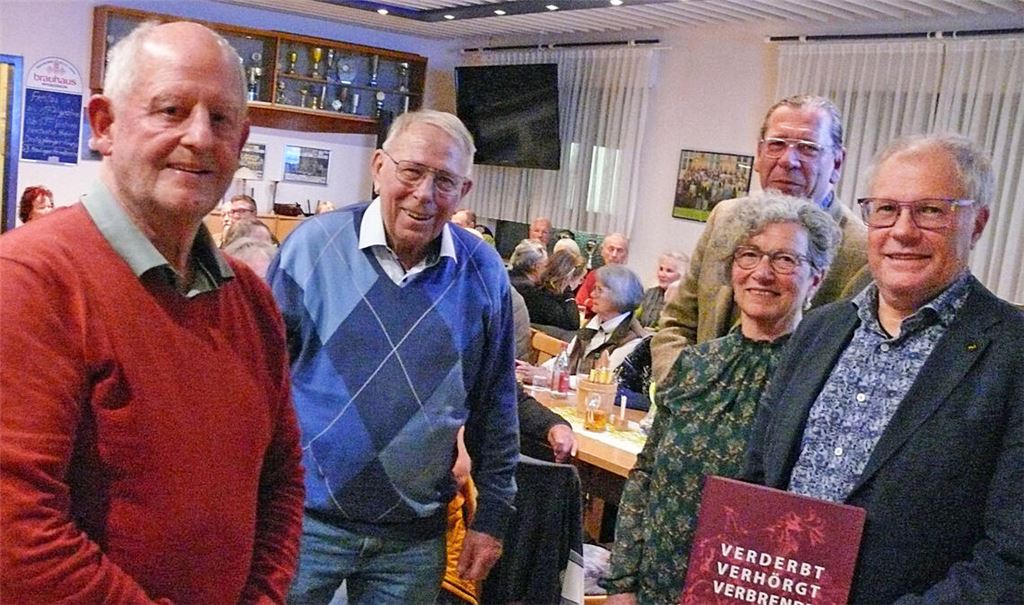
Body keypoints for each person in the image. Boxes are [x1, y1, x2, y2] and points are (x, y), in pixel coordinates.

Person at [0, 21, 304, 603]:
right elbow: (17, 527)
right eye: (170, 110)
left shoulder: (250, 298)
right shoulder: (32, 282)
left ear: (241, 142)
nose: (199, 137)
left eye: (221, 119)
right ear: (104, 125)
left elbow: (281, 478)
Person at [743, 134, 1023, 604]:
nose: (903, 230)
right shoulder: (818, 329)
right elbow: (757, 480)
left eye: (931, 210)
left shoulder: (1013, 353)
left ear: (977, 224)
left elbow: (1011, 558)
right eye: (886, 209)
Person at [267, 109, 519, 604]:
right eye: (412, 171)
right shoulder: (311, 248)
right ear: (379, 166)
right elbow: (257, 384)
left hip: (412, 537)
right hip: (303, 522)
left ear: (464, 191)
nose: (425, 194)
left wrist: (494, 516)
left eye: (444, 180)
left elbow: (497, 403)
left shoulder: (484, 272)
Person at [600, 194, 840, 605]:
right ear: (732, 268)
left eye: (785, 260)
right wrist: (622, 584)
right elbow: (646, 474)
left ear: (815, 279)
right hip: (658, 588)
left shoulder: (825, 382)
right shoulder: (695, 365)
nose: (762, 273)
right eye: (749, 255)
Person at [651, 95, 871, 383]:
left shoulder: (861, 251)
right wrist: (690, 392)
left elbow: (845, 367)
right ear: (759, 153)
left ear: (838, 161)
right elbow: (677, 324)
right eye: (777, 144)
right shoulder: (724, 218)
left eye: (807, 148)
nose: (788, 160)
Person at [520, 248, 587, 334]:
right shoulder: (543, 298)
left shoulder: (537, 288)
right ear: (568, 278)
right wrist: (567, 289)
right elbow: (573, 324)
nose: (581, 282)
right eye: (580, 279)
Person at [576, 232, 630, 317]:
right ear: (602, 251)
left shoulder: (629, 282)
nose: (614, 255)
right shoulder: (593, 275)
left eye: (620, 250)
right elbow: (579, 304)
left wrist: (590, 303)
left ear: (626, 255)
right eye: (611, 249)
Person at [636, 251, 690, 328]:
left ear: (681, 274)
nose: (662, 274)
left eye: (669, 271)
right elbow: (635, 319)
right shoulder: (650, 293)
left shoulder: (685, 298)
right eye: (661, 269)